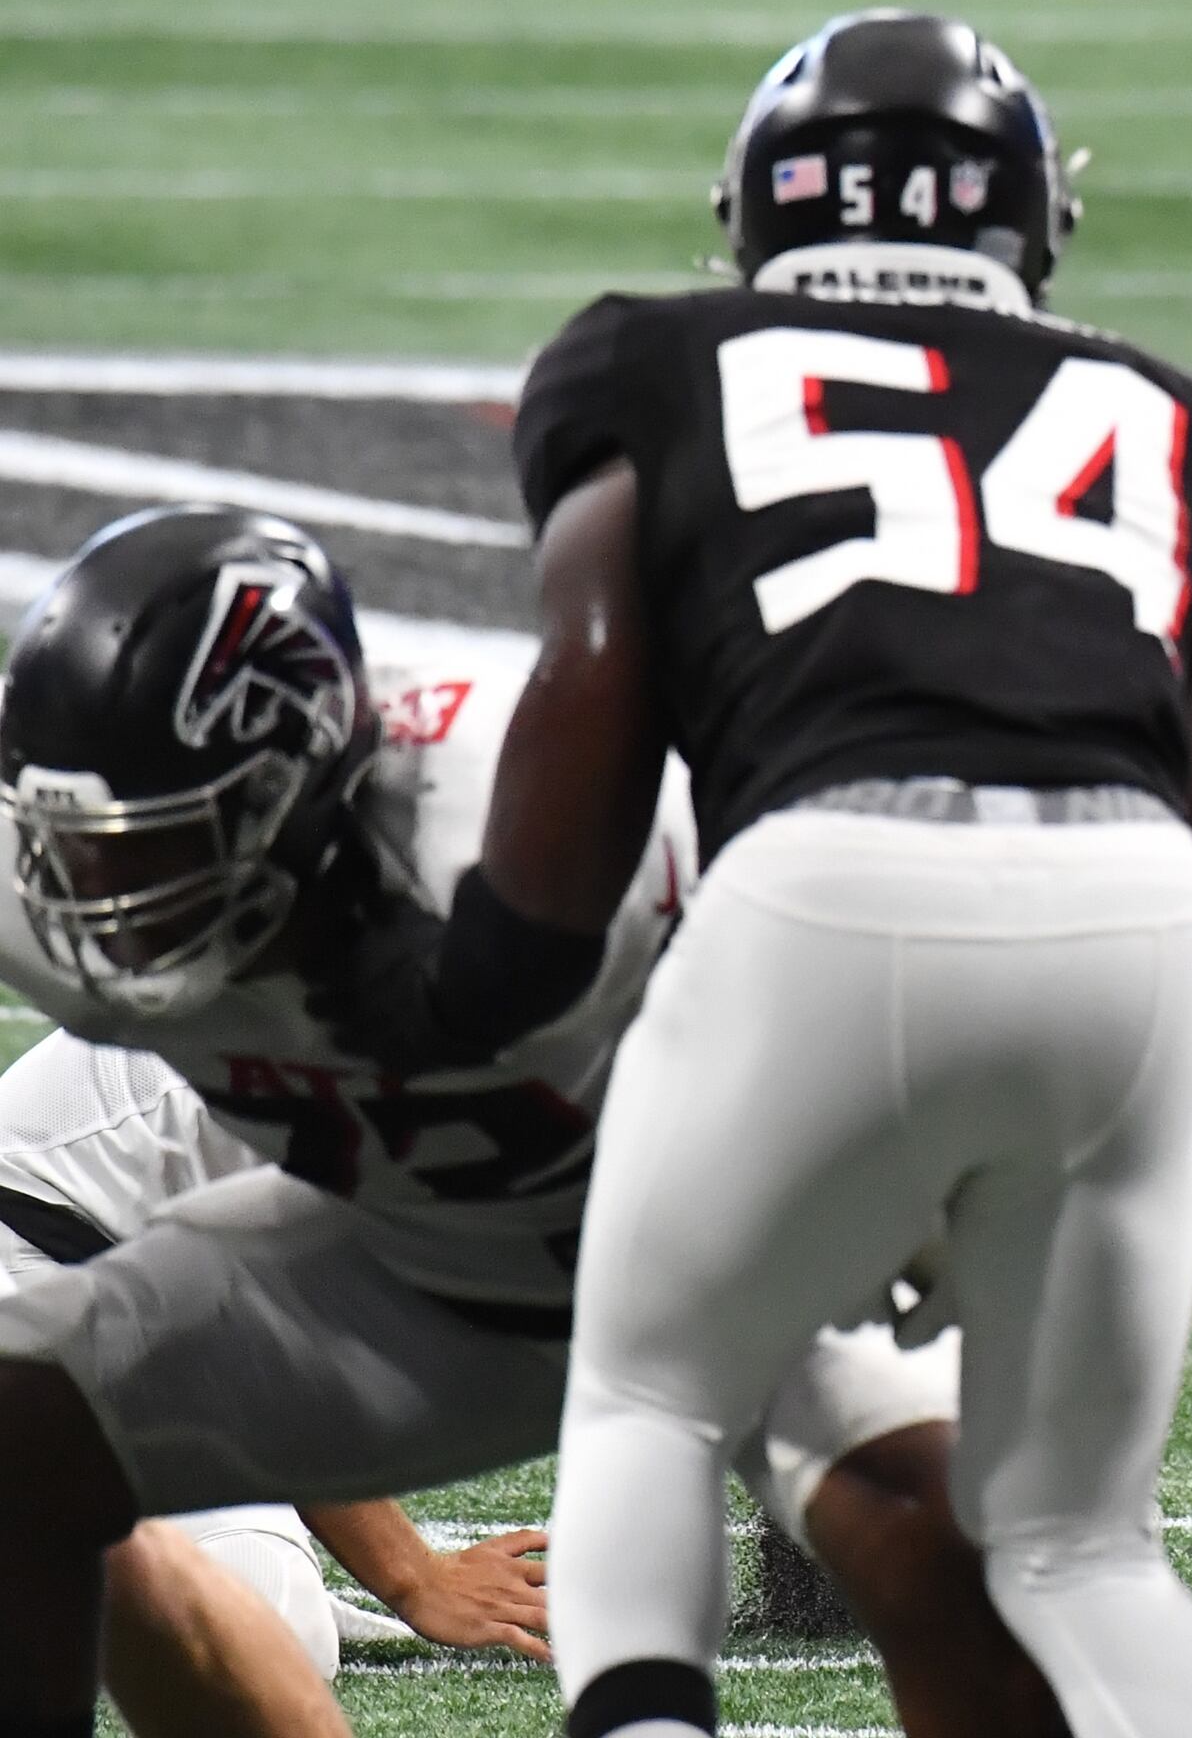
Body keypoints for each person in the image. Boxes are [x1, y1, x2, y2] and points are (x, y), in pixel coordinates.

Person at [345, 9, 1192, 1738]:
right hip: (1134, 917)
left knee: (649, 1401)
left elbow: (585, 731)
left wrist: (468, 991)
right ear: (1028, 217)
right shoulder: (1184, 420)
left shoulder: (651, 362)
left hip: (823, 879)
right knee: (1083, 1543)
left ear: (761, 206)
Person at [0, 508, 1032, 1738]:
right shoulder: (49, 892)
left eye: (155, 852)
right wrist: (408, 1571)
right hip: (402, 1265)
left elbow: (872, 935)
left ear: (294, 789)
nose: (103, 906)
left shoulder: (539, 821)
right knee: (25, 1442)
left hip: (690, 1234)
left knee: (955, 1531)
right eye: (82, 856)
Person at [0, 1027, 552, 1732]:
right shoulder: (331, 1061)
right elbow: (270, 1343)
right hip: (32, 1272)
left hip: (120, 1288)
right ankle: (83, 1543)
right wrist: (415, 1576)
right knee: (274, 1615)